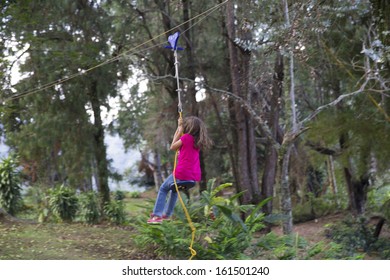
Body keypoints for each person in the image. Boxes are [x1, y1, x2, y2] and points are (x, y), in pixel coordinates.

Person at [147, 116, 212, 224]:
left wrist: (179, 130)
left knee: (163, 189)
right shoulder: (197, 142)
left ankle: (157, 215)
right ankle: (167, 215)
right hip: (192, 177)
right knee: (174, 190)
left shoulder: (186, 137)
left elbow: (172, 146)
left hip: (182, 173)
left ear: (189, 128)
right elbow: (187, 154)